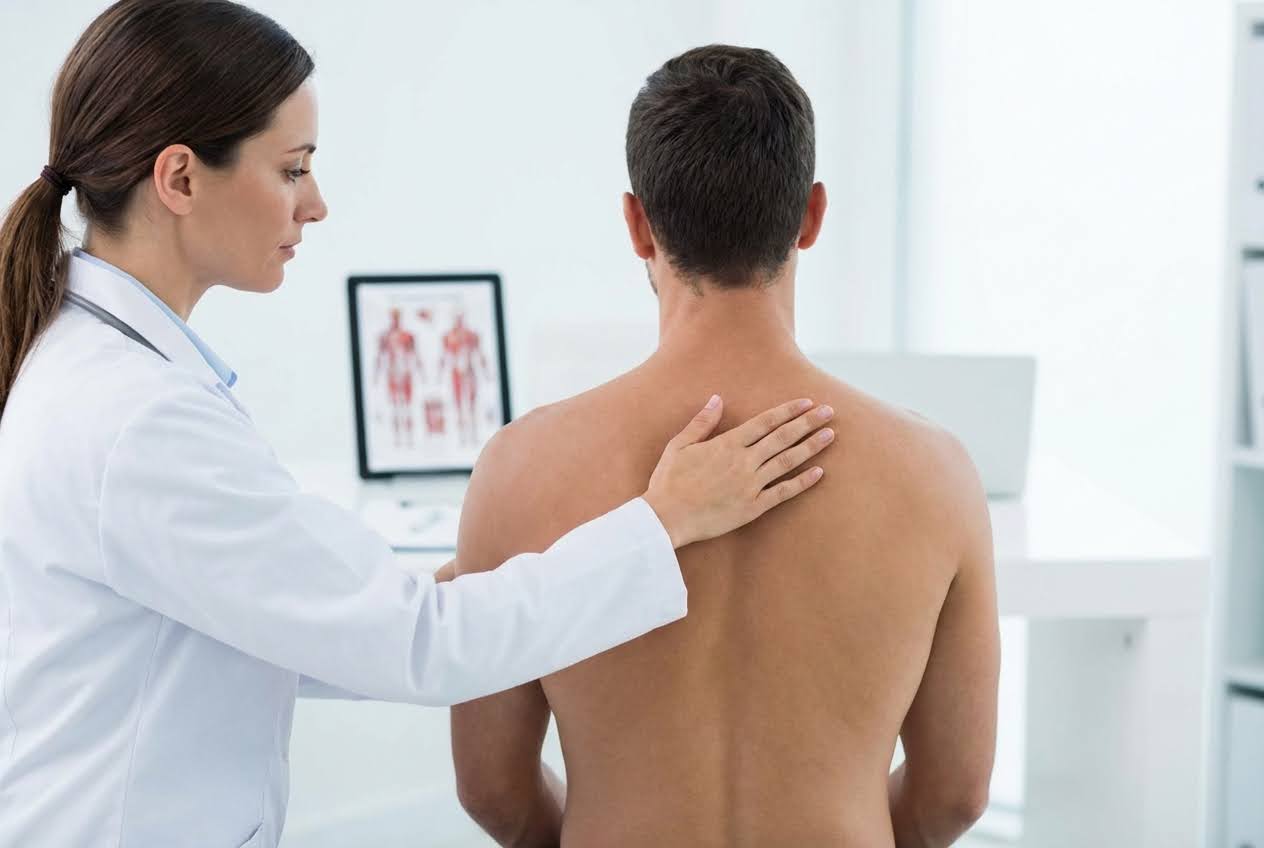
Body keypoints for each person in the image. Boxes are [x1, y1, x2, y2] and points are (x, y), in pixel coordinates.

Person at [0, 6, 836, 846]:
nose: (316, 205)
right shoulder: (136, 420)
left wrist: (483, 577)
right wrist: (663, 523)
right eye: (292, 170)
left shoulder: (107, 378)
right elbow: (414, 647)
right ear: (179, 179)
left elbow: (305, 617)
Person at [450, 45, 1000, 848]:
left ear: (638, 225)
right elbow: (954, 798)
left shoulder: (519, 470)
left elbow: (495, 792)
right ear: (810, 216)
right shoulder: (935, 474)